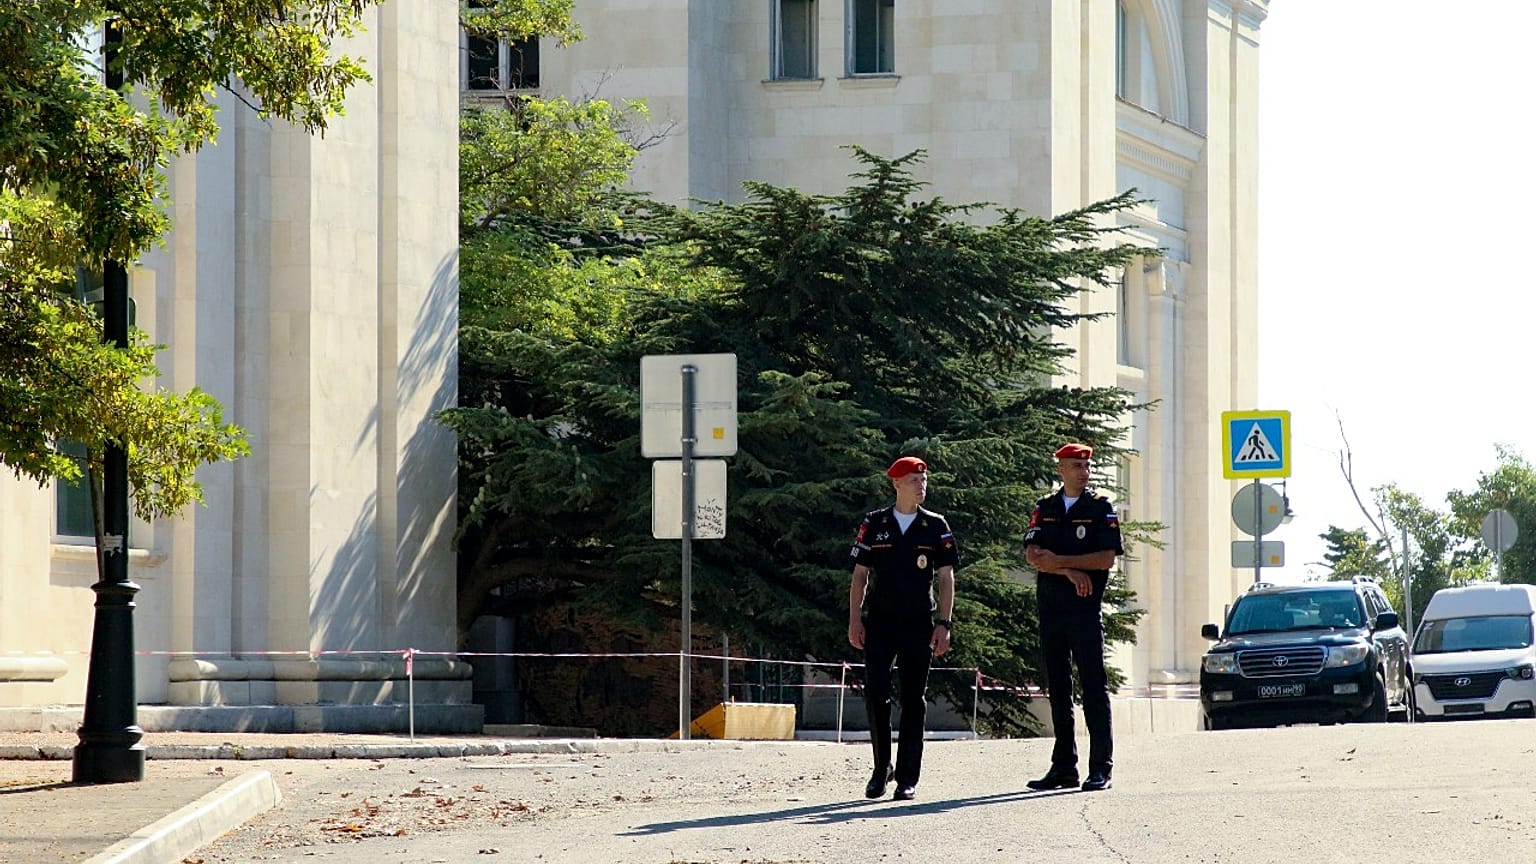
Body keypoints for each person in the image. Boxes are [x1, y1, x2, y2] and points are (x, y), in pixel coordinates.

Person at [848, 456, 958, 801]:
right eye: (913, 480)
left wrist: (944, 623)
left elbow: (945, 578)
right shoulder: (875, 522)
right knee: (876, 695)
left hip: (918, 622)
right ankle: (882, 769)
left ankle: (907, 776)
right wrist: (855, 618)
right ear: (896, 483)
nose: (921, 485)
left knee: (913, 699)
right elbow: (860, 576)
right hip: (880, 621)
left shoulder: (935, 525)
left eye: (923, 480)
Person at [1022, 442, 1124, 793]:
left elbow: (1106, 558)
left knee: (1094, 687)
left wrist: (1061, 564)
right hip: (1051, 609)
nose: (1083, 471)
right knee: (1059, 690)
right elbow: (1032, 553)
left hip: (1083, 610)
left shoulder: (1099, 508)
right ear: (1061, 469)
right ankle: (1064, 766)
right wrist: (1067, 570)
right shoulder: (1046, 507)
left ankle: (1101, 767)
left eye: (1086, 466)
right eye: (1075, 466)